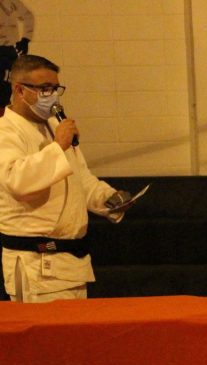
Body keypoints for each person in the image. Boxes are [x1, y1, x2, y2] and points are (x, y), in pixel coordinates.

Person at [0, 54, 131, 302]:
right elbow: (17, 182)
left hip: (73, 263)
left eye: (55, 88)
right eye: (44, 88)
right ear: (19, 90)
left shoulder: (54, 126)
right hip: (36, 263)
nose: (52, 95)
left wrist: (108, 199)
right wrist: (58, 146)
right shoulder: (5, 131)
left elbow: (80, 178)